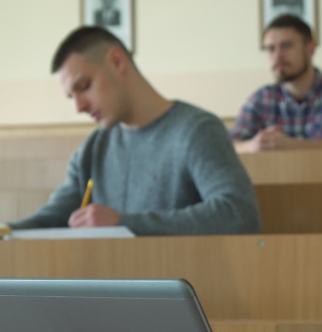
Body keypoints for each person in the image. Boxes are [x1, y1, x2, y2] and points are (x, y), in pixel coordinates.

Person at [7, 27, 261, 236]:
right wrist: (5, 231)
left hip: (185, 288)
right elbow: (51, 218)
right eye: (71, 97)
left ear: (117, 61)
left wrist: (125, 223)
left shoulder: (196, 130)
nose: (78, 107)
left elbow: (239, 214)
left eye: (84, 86)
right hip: (110, 291)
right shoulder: (93, 148)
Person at [229, 15, 322, 153]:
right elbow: (227, 145)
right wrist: (251, 146)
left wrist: (291, 145)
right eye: (271, 48)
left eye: (286, 45)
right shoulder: (261, 99)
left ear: (310, 49)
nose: (278, 56)